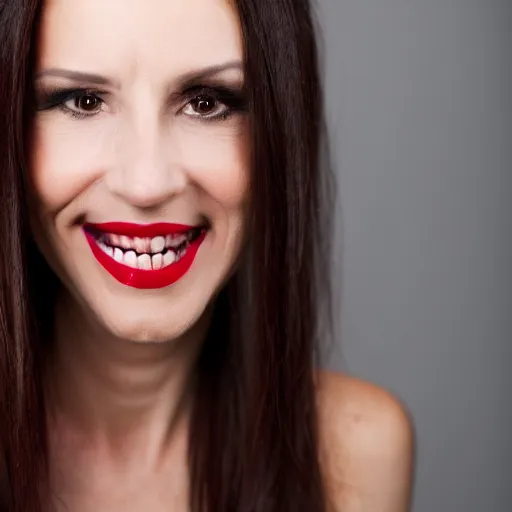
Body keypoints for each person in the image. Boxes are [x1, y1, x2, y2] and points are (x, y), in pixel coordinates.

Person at [0, 0, 414, 510]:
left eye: (205, 103)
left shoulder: (357, 452)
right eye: (83, 101)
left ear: (278, 131)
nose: (147, 183)